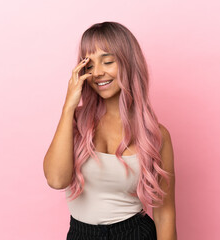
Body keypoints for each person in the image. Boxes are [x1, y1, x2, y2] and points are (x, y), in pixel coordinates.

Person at [43, 21, 177, 240]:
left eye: (107, 61)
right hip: (81, 234)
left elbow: (165, 214)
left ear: (128, 64)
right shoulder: (73, 122)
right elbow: (57, 180)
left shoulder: (156, 135)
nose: (97, 73)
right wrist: (68, 106)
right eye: (89, 65)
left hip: (135, 233)